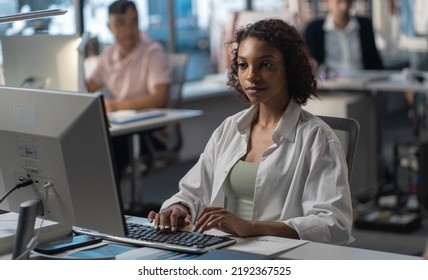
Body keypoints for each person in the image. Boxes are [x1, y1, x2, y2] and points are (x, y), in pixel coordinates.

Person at [148, 18, 354, 245]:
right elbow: (193, 190)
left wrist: (252, 228)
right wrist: (178, 207)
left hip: (280, 258)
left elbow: (334, 224)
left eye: (265, 65)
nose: (251, 76)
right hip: (220, 249)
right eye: (243, 65)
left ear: (290, 68)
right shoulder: (230, 128)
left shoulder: (318, 138)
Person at [86, 1, 171, 179]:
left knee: (107, 148)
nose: (129, 29)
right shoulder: (108, 55)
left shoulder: (152, 51)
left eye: (134, 22)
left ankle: (116, 205)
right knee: (90, 142)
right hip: (121, 128)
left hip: (149, 133)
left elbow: (160, 98)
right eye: (121, 23)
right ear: (109, 27)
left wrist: (116, 106)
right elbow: (88, 87)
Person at [303, 0, 383, 74]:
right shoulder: (314, 29)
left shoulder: (365, 26)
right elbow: (310, 60)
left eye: (348, 1)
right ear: (327, 2)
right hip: (329, 85)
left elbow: (375, 62)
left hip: (363, 84)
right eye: (338, 2)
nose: (344, 7)